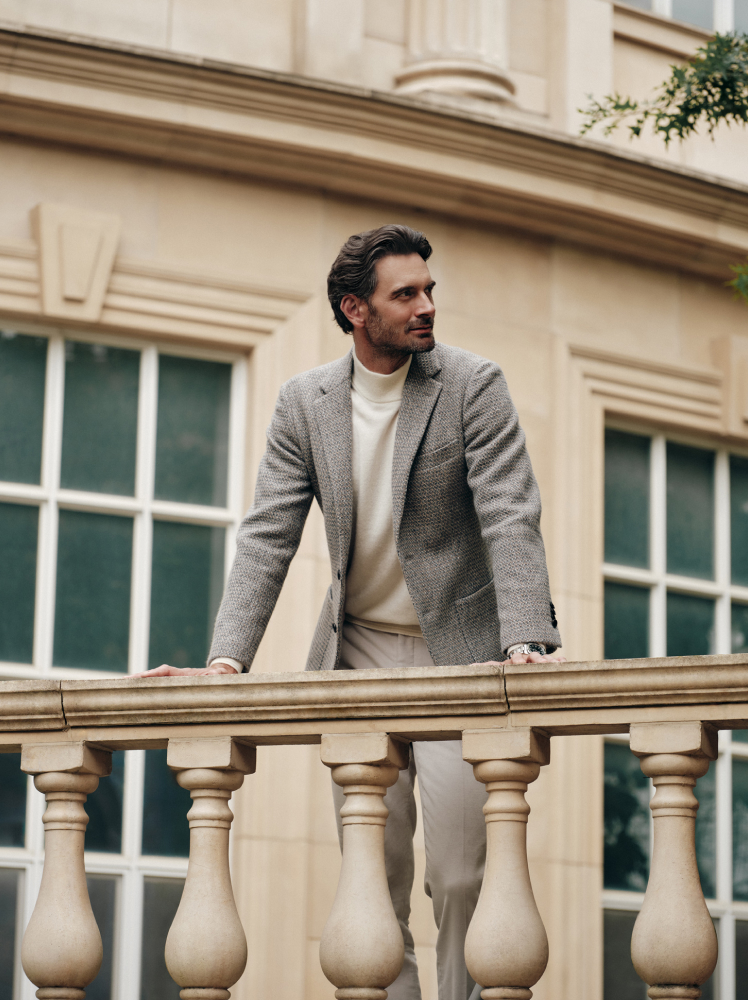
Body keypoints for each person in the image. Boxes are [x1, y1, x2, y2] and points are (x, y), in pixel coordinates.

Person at [138, 224, 565, 1000]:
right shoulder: (306, 402)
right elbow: (268, 533)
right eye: (406, 294)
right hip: (358, 656)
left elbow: (510, 513)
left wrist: (526, 638)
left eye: (429, 289)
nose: (427, 305)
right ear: (355, 309)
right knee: (377, 876)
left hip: (459, 656)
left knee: (467, 875)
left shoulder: (474, 384)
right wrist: (227, 660)